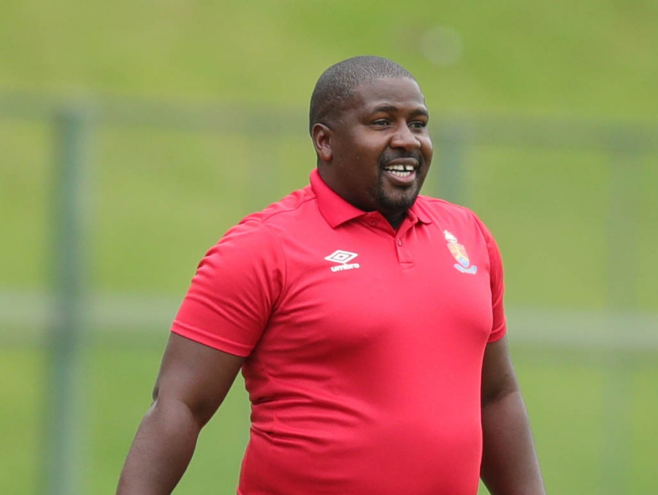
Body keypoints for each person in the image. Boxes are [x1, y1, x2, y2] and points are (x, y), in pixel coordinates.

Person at [116, 56, 546, 495]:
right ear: (325, 141)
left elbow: (495, 395)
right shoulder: (262, 248)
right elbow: (180, 406)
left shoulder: (468, 236)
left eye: (418, 124)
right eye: (382, 122)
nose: (407, 141)